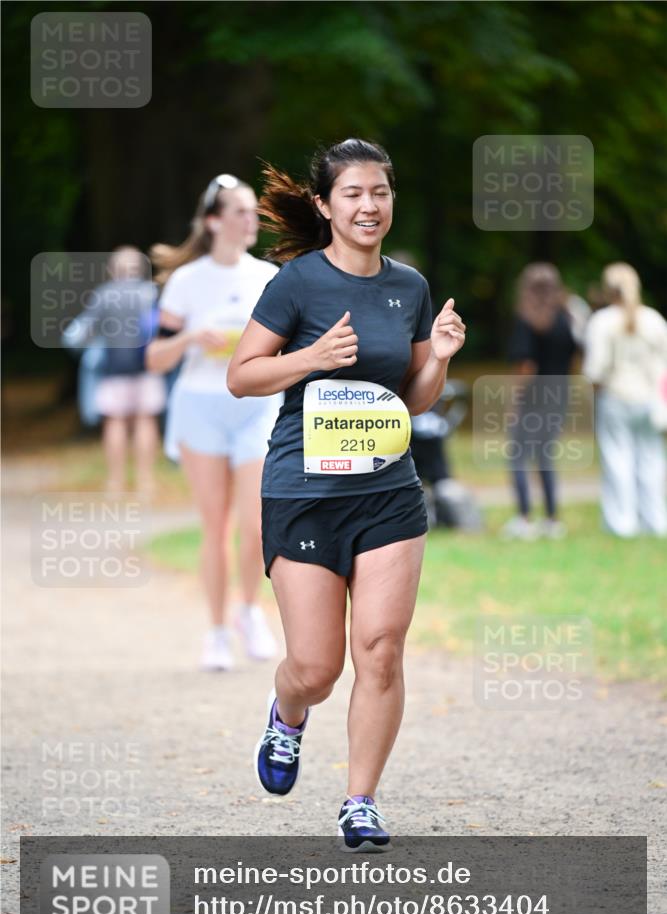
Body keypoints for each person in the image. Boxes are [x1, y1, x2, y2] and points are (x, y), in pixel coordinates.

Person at [226, 138, 466, 851]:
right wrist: (310, 358)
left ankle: (359, 801)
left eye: (380, 192)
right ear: (326, 206)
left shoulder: (410, 288)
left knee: (382, 650)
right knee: (316, 666)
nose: (369, 206)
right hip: (303, 490)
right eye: (354, 194)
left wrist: (442, 358)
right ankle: (287, 713)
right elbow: (242, 375)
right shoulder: (296, 284)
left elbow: (416, 401)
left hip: (387, 491)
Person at [146, 174, 281, 670]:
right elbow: (155, 358)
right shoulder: (187, 281)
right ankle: (217, 631)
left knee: (258, 524)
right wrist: (190, 340)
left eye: (253, 211)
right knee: (216, 525)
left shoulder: (268, 276)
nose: (251, 219)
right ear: (213, 221)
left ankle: (250, 611)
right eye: (241, 211)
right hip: (200, 405)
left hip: (256, 405)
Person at [62, 246, 165, 493]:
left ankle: (115, 483)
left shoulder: (104, 295)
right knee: (145, 420)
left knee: (115, 422)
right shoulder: (150, 294)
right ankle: (145, 482)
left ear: (112, 269)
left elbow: (76, 336)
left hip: (113, 370)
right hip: (147, 368)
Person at [583, 263, 667, 537]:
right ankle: (655, 521)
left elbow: (595, 369)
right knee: (652, 461)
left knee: (617, 461)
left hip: (615, 397)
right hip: (650, 400)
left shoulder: (602, 322)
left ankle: (622, 524)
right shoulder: (654, 319)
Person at [501, 263, 578, 541]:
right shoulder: (565, 318)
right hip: (558, 394)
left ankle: (524, 518)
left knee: (518, 456)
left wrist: (514, 402)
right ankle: (552, 519)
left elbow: (526, 366)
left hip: (533, 397)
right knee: (545, 456)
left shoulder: (526, 319)